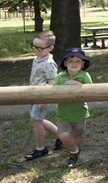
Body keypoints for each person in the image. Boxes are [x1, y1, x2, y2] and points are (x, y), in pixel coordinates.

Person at [24, 31, 62, 161]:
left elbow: (52, 83)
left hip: (43, 97)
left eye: (39, 48)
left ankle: (41, 148)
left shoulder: (49, 63)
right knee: (37, 120)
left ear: (50, 48)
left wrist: (44, 100)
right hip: (34, 95)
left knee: (36, 120)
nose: (35, 50)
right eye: (34, 46)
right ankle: (62, 136)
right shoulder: (38, 58)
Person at [53, 48, 93, 167]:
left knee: (77, 135)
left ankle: (76, 153)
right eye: (71, 61)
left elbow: (92, 91)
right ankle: (74, 150)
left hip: (79, 113)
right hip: (63, 113)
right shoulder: (60, 76)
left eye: (78, 61)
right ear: (65, 63)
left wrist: (80, 85)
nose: (74, 64)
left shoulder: (85, 75)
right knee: (63, 135)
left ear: (83, 64)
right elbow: (53, 90)